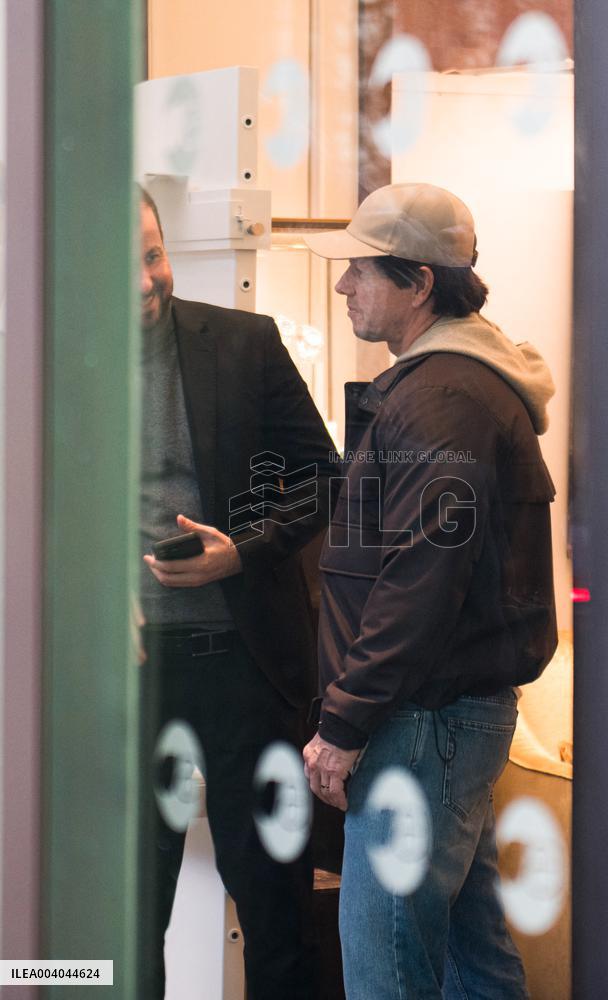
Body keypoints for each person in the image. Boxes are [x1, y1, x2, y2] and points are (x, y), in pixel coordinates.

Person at [302, 182, 558, 999]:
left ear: (417, 282)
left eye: (361, 272)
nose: (343, 288)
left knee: (387, 970)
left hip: (420, 725)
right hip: (439, 720)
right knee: (469, 961)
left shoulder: (444, 396)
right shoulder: (449, 384)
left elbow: (419, 579)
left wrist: (341, 723)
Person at [137, 186, 337, 999]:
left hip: (245, 670)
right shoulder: (40, 354)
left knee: (274, 904)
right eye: (126, 266)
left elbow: (325, 479)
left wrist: (240, 553)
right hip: (126, 678)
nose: (149, 279)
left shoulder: (244, 343)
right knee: (124, 906)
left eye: (153, 255)